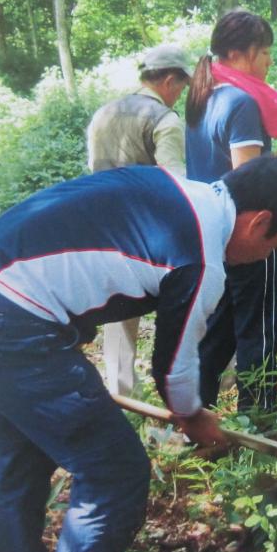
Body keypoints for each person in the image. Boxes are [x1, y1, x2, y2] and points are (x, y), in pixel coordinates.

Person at [0, 156, 277, 552]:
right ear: (259, 222)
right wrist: (192, 414)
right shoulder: (200, 260)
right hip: (9, 323)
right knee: (114, 472)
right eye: (274, 246)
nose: (263, 257)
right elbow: (173, 367)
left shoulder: (175, 190)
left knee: (20, 466)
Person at [185, 9, 277, 411]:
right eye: (266, 52)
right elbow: (250, 180)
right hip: (251, 232)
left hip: (211, 232)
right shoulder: (241, 103)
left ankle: (196, 411)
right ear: (243, 53)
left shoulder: (204, 97)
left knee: (218, 327)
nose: (269, 61)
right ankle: (259, 416)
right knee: (259, 326)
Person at [86, 44, 192, 397]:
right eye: (180, 86)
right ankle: (177, 395)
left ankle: (121, 397)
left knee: (117, 315)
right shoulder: (164, 120)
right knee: (176, 313)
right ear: (168, 80)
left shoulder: (104, 114)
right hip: (150, 234)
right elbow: (174, 186)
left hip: (105, 229)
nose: (180, 94)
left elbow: (93, 173)